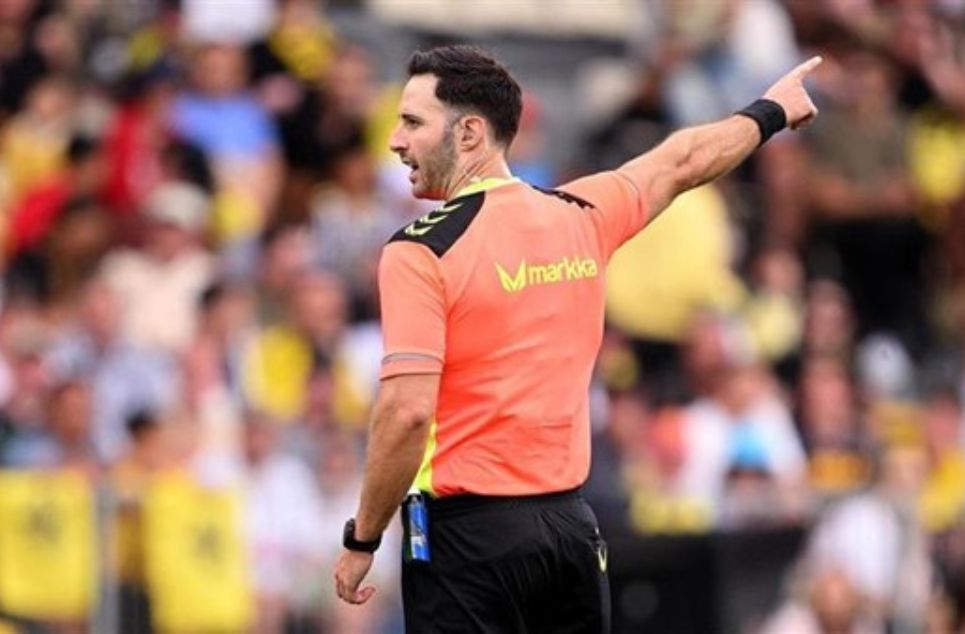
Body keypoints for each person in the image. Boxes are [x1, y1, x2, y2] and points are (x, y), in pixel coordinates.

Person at [334, 44, 821, 632]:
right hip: (570, 531)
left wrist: (362, 537)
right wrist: (771, 110)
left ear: (469, 133)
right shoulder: (579, 214)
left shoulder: (420, 250)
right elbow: (681, 161)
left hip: (467, 539)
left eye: (413, 122)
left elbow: (408, 412)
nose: (395, 140)